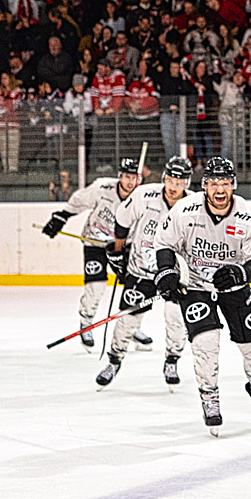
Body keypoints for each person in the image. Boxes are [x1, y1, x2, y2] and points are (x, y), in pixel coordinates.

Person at [153, 156, 251, 435]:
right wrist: (166, 272)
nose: (220, 190)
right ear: (204, 186)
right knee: (206, 344)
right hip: (197, 287)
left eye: (225, 183)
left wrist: (240, 274)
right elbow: (164, 242)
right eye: (213, 183)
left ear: (233, 184)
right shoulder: (185, 211)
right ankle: (209, 397)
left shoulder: (249, 217)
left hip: (234, 288)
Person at [96, 157, 194, 391]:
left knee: (176, 320)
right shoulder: (145, 195)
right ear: (164, 178)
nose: (173, 187)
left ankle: (172, 360)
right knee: (127, 319)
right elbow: (122, 220)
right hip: (140, 270)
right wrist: (118, 252)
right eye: (170, 180)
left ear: (187, 183)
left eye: (179, 183)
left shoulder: (193, 205)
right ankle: (114, 361)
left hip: (173, 275)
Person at [40, 158, 142, 351]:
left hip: (122, 246)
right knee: (96, 287)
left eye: (135, 178)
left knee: (134, 287)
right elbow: (79, 200)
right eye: (127, 176)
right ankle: (86, 323)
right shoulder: (102, 188)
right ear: (119, 176)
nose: (131, 182)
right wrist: (61, 216)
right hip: (94, 241)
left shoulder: (142, 197)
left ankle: (131, 326)